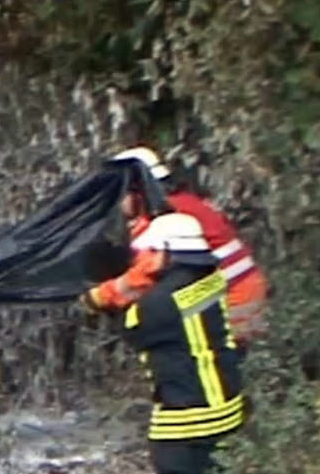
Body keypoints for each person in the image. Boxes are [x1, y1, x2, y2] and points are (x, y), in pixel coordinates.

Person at [80, 212, 246, 474]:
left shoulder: (157, 306)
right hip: (229, 401)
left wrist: (102, 292)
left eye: (146, 254)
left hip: (188, 409)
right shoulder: (212, 281)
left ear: (163, 253)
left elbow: (126, 324)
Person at [102, 147, 269, 344]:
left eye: (121, 194)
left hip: (230, 297)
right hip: (245, 289)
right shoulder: (187, 203)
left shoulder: (163, 218)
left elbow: (147, 274)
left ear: (136, 191)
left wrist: (100, 296)